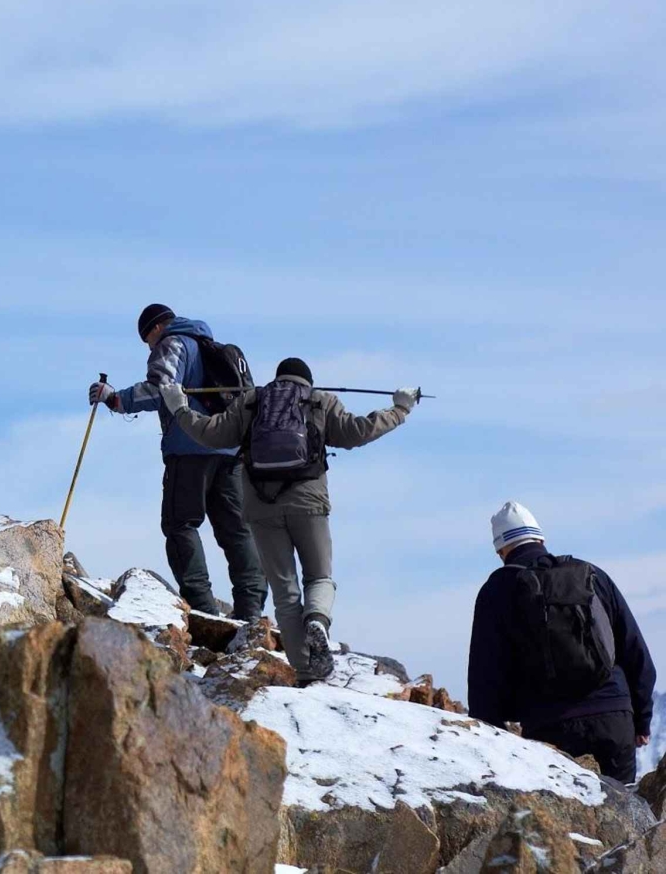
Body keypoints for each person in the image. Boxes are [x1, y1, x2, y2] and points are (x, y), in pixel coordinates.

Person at [159, 358, 417, 684]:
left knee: (285, 593)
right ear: (307, 381)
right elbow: (359, 431)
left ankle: (306, 672)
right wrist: (400, 410)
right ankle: (318, 620)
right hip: (309, 503)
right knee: (319, 576)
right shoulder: (321, 401)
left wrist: (179, 407)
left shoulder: (251, 401)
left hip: (261, 508)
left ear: (278, 378)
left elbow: (210, 434)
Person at [89, 304, 266, 621]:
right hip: (230, 449)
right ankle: (251, 610)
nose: (149, 347)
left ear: (156, 329)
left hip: (189, 449)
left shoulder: (173, 343)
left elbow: (160, 389)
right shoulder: (217, 348)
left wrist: (114, 399)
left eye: (147, 340)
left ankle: (202, 607)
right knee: (237, 530)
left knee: (180, 523)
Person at [467, 501, 655, 783]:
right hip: (614, 718)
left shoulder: (496, 591)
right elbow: (636, 652)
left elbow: (484, 678)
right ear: (541, 539)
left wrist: (494, 741)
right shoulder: (592, 575)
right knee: (623, 818)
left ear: (500, 550)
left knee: (564, 825)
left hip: (550, 728)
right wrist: (640, 720)